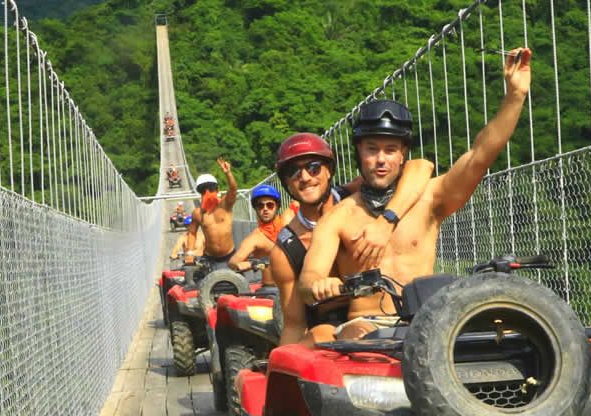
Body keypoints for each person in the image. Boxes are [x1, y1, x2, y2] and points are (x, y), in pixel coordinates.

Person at [299, 48, 533, 340]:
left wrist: (515, 96)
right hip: (367, 323)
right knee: (356, 343)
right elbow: (308, 279)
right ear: (359, 153)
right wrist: (320, 286)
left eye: (390, 150)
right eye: (372, 149)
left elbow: (480, 156)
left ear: (403, 155)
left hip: (427, 320)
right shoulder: (337, 218)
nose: (381, 159)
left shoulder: (429, 198)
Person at [270, 133, 434, 346]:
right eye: (293, 172)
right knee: (317, 343)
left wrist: (387, 219)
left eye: (313, 167)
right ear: (286, 183)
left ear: (329, 170)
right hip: (332, 323)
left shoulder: (358, 196)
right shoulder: (286, 250)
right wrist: (282, 369)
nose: (305, 177)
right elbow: (294, 324)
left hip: (389, 312)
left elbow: (420, 167)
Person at [227, 184, 290, 286]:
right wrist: (253, 263)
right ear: (255, 209)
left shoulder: (288, 222)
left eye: (270, 205)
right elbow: (233, 263)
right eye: (260, 206)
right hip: (271, 290)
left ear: (277, 206)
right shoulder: (254, 238)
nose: (265, 209)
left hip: (295, 287)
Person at [185, 157, 238, 269]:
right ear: (200, 192)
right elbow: (192, 232)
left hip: (230, 256)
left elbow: (233, 189)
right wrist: (189, 253)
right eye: (204, 190)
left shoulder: (225, 205)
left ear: (217, 190)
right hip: (209, 258)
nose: (208, 193)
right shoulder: (198, 213)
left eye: (211, 189)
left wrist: (228, 173)